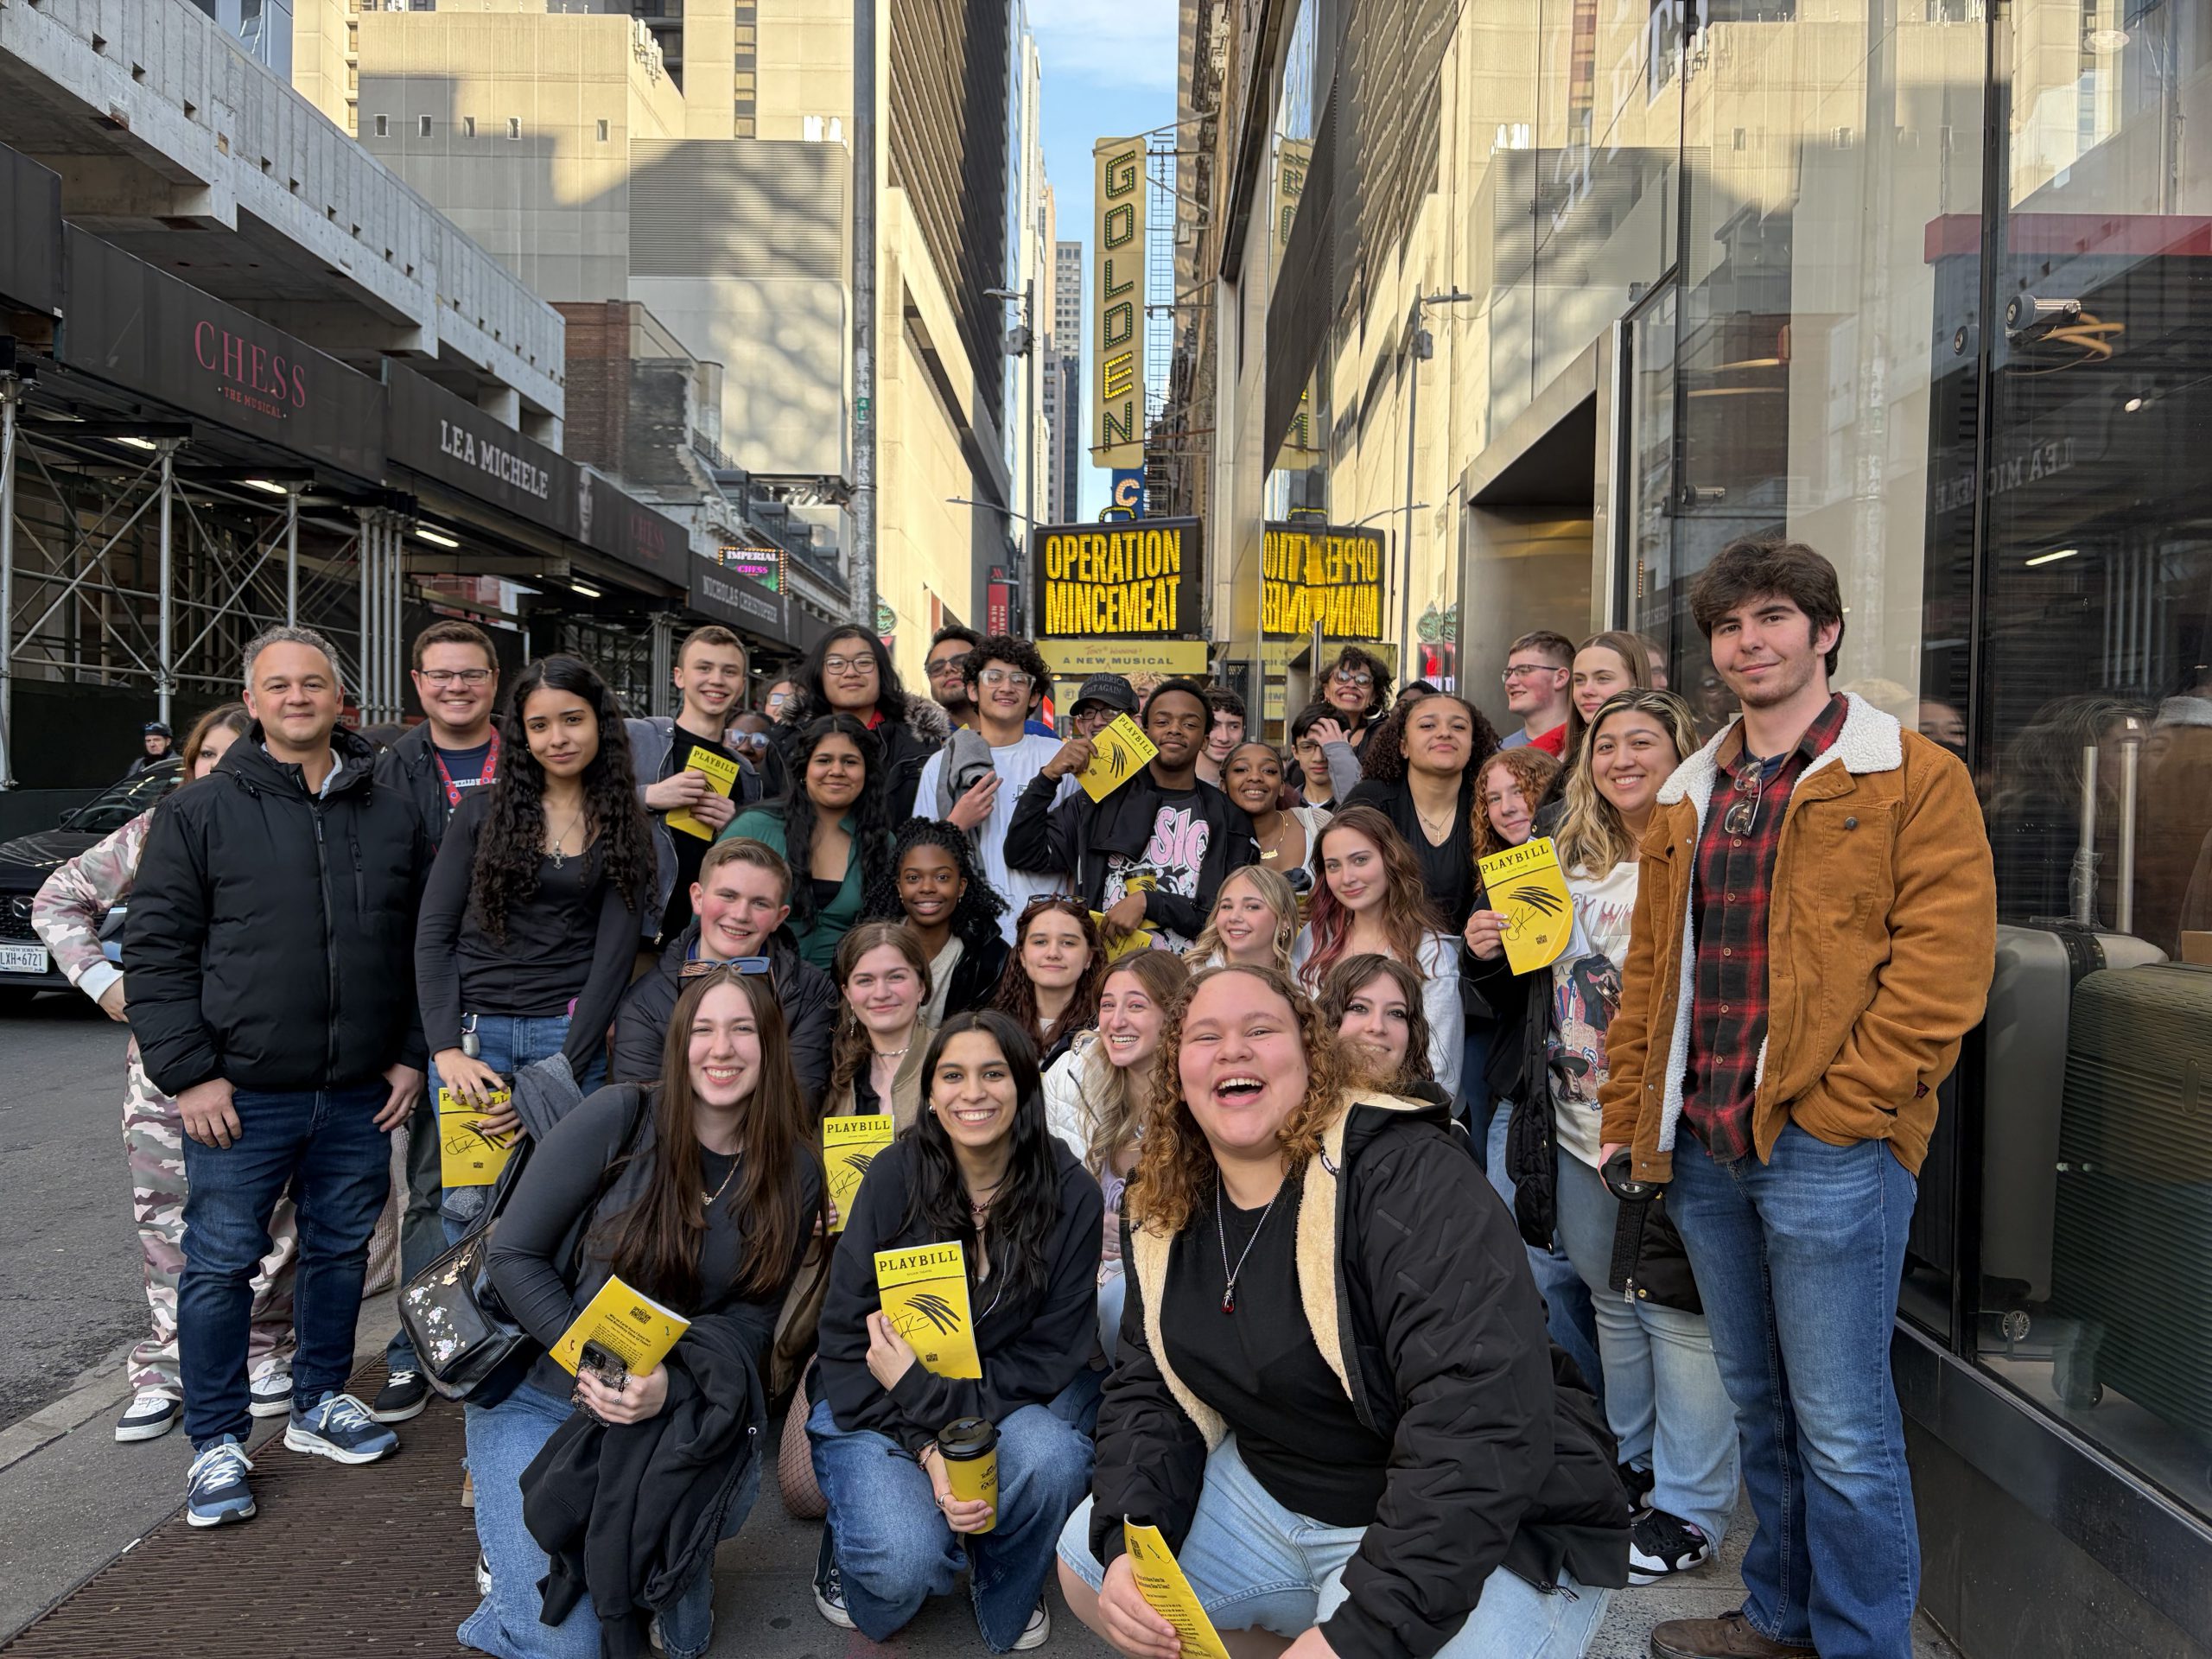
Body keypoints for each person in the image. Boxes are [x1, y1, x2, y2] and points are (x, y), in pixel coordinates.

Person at [1599, 538, 1997, 1659]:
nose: (1749, 642)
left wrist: (1848, 1107)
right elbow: (1652, 974)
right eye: (1728, 626)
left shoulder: (1910, 776)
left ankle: (1863, 1644)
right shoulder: (1689, 791)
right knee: (1764, 1408)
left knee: (1843, 1425)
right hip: (1708, 1145)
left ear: (1824, 631)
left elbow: (1944, 968)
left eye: (1773, 617)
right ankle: (1780, 1617)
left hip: (1829, 1148)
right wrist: (1640, 1116)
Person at [1057, 964, 1628, 1659]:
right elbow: (1151, 1387)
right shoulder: (1163, 1197)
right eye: (1205, 1036)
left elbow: (1480, 1418)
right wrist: (1128, 1537)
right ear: (1177, 1072)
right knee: (1090, 1563)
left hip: (1489, 1517)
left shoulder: (1408, 1170)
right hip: (1284, 1495)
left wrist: (1362, 1634)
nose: (1232, 1050)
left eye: (1260, 1030)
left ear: (1311, 1053)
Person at [124, 626, 434, 1526]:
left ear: (344, 701)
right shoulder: (200, 813)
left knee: (339, 1253)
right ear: (252, 703)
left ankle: (317, 1403)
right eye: (279, 686)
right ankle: (216, 1443)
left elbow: (422, 945)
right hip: (238, 1095)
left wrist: (411, 1053)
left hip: (357, 1092)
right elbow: (155, 952)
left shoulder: (390, 810)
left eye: (315, 684)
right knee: (222, 1265)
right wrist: (189, 1076)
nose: (298, 697)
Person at [464, 968, 821, 1659]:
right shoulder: (620, 1116)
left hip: (673, 1412)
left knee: (653, 1618)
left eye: (743, 1029)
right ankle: (511, 1590)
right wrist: (602, 1364)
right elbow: (513, 1258)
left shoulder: (795, 1171)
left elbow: (753, 1323)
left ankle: (617, 1560)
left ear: (771, 1045)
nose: (722, 1049)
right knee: (567, 1650)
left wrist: (669, 1388)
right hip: (541, 1396)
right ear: (680, 1041)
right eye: (705, 1029)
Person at [1471, 689, 1738, 1587]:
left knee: (1678, 1308)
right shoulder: (1560, 857)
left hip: (1668, 1122)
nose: (1621, 758)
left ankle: (1692, 1508)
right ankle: (1633, 1471)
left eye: (1643, 742)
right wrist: (1487, 941)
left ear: (1682, 752)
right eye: (1606, 745)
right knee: (1611, 1299)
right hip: (1572, 1120)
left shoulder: (1703, 851)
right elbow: (1530, 979)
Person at [35, 703, 299, 1444]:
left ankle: (260, 1352)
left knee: (271, 1223)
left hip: (265, 1066)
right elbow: (57, 898)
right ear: (189, 767)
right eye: (206, 756)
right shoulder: (156, 829)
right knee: (168, 1224)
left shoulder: (287, 826)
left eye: (235, 753)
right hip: (165, 1073)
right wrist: (105, 984)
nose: (220, 767)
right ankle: (166, 1369)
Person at [808, 1011, 1103, 1651]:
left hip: (990, 1396)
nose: (974, 1092)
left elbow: (1051, 1357)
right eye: (954, 1075)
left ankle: (1000, 1572)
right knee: (903, 1561)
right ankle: (857, 1547)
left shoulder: (1071, 1192)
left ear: (1025, 1086)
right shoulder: (893, 1176)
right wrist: (932, 1448)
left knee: (1056, 1459)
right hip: (875, 1402)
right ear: (933, 1095)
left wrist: (934, 1403)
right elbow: (845, 1337)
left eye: (993, 1073)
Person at [414, 654, 652, 1256]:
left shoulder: (625, 825)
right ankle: (470, 1350)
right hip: (474, 1045)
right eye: (539, 725)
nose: (558, 738)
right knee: (469, 1214)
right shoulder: (479, 815)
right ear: (522, 733)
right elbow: (435, 935)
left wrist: (559, 1071)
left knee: (565, 1214)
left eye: (572, 720)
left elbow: (614, 958)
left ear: (599, 723)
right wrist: (444, 1049)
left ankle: (541, 1349)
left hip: (567, 1042)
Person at [1461, 744, 1602, 1393]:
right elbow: (1502, 998)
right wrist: (1482, 952)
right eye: (1492, 797)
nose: (1507, 806)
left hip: (1600, 1091)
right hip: (1527, 1093)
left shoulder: (1597, 867)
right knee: (1531, 1261)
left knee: (1607, 1277)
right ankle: (1581, 1407)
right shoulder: (1496, 876)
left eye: (1519, 790)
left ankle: (1614, 1424)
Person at [1006, 677, 1258, 953]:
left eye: (1189, 723)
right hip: (1106, 979)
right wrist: (1048, 777)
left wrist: (1150, 903)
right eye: (1162, 722)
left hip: (1193, 980)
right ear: (1145, 730)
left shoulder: (1230, 818)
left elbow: (1232, 914)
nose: (1174, 730)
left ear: (1205, 739)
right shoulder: (1095, 802)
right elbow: (1024, 853)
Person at [1043, 950, 1190, 1361]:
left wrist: (1133, 1235)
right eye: (1108, 1005)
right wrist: (1080, 1228)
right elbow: (1036, 1185)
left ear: (1173, 1014)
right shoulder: (1070, 1077)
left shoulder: (1201, 1092)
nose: (1116, 1020)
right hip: (1074, 1271)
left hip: (1162, 1279)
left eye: (1136, 1005)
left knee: (1118, 1304)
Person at [612, 836, 837, 1103]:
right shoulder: (646, 1001)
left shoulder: (812, 992)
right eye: (728, 896)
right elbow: (644, 1110)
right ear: (698, 898)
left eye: (760, 903)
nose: (741, 914)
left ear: (779, 917)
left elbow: (799, 1101)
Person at [913, 634, 1079, 944]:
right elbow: (919, 856)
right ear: (973, 690)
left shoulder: (1058, 757)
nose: (1006, 687)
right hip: (969, 934)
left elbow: (1075, 853)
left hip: (1045, 934)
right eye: (994, 677)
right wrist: (957, 823)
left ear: (1033, 696)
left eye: (1019, 679)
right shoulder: (943, 764)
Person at [1290, 805, 1463, 1096]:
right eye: (1334, 865)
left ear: (1391, 860)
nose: (1347, 878)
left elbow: (1441, 1072)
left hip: (1402, 1114)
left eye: (1360, 860)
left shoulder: (1430, 953)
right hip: (1319, 1106)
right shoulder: (1313, 940)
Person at [722, 715, 895, 970]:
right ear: (804, 769)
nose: (836, 771)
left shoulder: (882, 843)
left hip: (843, 999)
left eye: (850, 762)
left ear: (867, 772)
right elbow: (706, 919)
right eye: (824, 760)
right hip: (752, 992)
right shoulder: (753, 827)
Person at [627, 625, 760, 949]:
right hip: (634, 936)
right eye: (704, 668)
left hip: (706, 943)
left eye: (729, 672)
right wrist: (649, 796)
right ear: (679, 677)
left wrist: (737, 826)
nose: (716, 680)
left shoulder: (746, 774)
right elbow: (575, 804)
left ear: (741, 685)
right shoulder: (636, 738)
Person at [1344, 692, 1497, 934]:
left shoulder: (1494, 802)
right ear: (1403, 746)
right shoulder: (1371, 801)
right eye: (1427, 725)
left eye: (1458, 726)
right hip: (1387, 953)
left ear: (1472, 744)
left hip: (1477, 958)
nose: (1445, 733)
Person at [772, 625, 949, 821]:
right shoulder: (786, 741)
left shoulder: (920, 743)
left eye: (864, 662)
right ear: (819, 674)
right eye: (836, 663)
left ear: (882, 672)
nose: (850, 672)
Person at [861, 821, 1010, 1025]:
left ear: (961, 887)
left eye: (942, 877)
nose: (927, 887)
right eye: (913, 878)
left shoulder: (990, 958)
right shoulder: (868, 947)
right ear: (899, 887)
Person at [991, 896, 1108, 1070]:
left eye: (1068, 943)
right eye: (1040, 942)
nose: (1053, 953)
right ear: (1022, 955)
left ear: (1089, 958)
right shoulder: (992, 1028)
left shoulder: (1106, 1030)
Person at [1318, 951, 1438, 1096]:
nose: (1377, 1027)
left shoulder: (1433, 1116)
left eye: (1396, 1013)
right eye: (1359, 1008)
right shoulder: (1291, 1109)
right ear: (1328, 1019)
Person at [1221, 740, 1326, 890]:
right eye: (1241, 769)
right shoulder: (1207, 838)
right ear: (1223, 786)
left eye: (1269, 770)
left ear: (1282, 787)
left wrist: (1315, 908)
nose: (1255, 777)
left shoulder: (1317, 825)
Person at [1185, 863, 1299, 973]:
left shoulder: (1305, 980)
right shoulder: (1191, 977)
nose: (1234, 917)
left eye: (1252, 907)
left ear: (1285, 920)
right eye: (1227, 906)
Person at [1565, 629, 1654, 759]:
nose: (1587, 690)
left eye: (1603, 679)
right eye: (1579, 680)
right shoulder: (1559, 761)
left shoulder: (1663, 754)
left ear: (1635, 683)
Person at [1315, 644, 1393, 755]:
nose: (1351, 685)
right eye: (1342, 677)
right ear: (1326, 690)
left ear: (1373, 696)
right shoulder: (1309, 730)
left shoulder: (1383, 738)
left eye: (1363, 680)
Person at [1287, 702, 1363, 808]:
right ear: (1295, 752)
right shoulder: (1282, 806)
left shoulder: (1366, 800)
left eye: (1327, 748)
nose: (1318, 758)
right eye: (1307, 747)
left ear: (1346, 748)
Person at [925, 625, 985, 729]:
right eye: (937, 667)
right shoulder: (918, 741)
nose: (948, 668)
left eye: (961, 662)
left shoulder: (1020, 730)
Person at [1065, 672, 1140, 741]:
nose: (1097, 722)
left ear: (1133, 722)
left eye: (1110, 712)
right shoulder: (1063, 755)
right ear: (1080, 725)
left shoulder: (1149, 755)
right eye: (1089, 713)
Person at [1195, 687, 1246, 786]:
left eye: (1234, 726)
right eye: (1214, 725)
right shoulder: (1168, 781)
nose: (1224, 738)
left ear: (1243, 731)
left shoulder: (1250, 788)